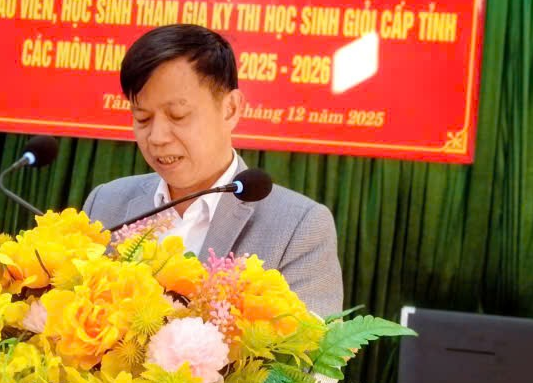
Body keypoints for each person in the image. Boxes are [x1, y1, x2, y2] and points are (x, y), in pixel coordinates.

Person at [82, 24, 344, 317]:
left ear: (230, 109)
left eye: (178, 115)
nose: (157, 137)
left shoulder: (299, 227)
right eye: (142, 118)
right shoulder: (106, 203)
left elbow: (311, 346)